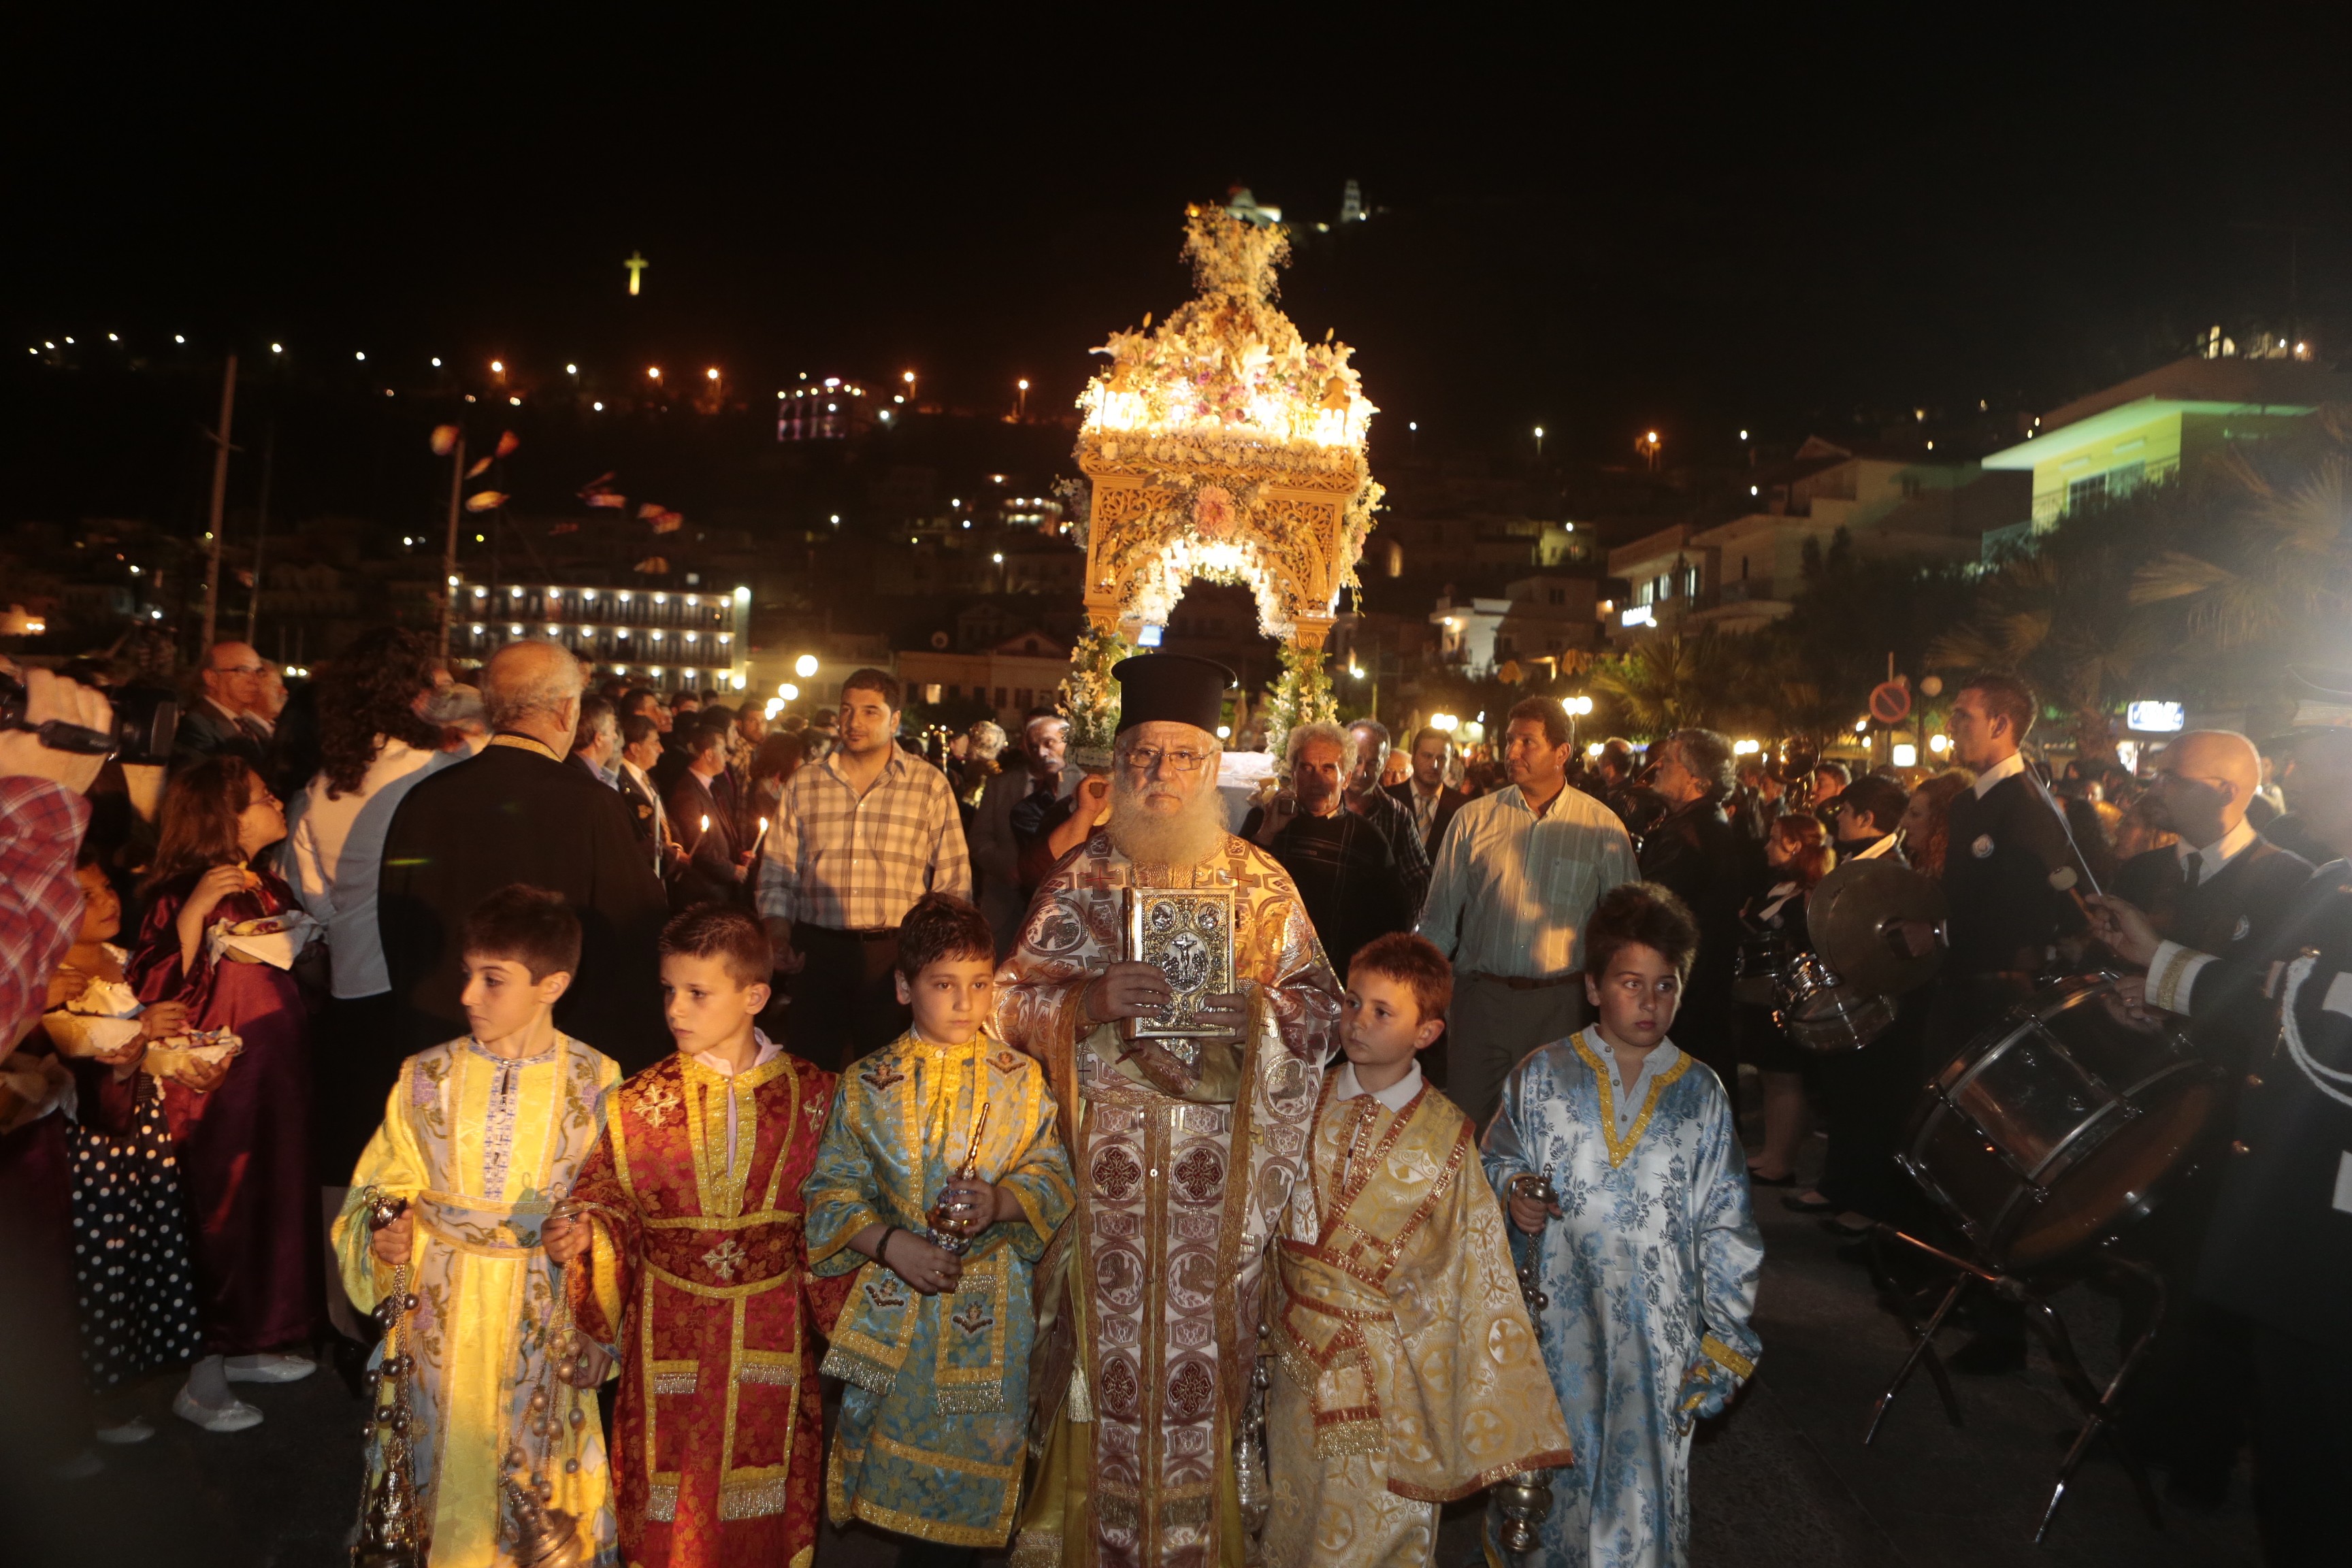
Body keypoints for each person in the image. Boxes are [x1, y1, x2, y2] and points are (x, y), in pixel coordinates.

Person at [994, 653, 1340, 1568]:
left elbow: (1323, 1009)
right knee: (1101, 1362)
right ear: (1118, 764)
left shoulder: (1261, 883)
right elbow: (1002, 1003)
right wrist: (1085, 1003)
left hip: (1215, 1181)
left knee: (1204, 1359)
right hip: (1103, 1174)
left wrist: (1258, 1014)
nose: (1161, 773)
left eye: (1183, 756)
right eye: (1144, 754)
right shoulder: (1081, 879)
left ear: (1212, 768)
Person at [2087, 723, 2352, 1565]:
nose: (2293, 783)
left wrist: (2164, 966)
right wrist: (2157, 970)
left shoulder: (2307, 880)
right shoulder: (2335, 884)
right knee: (2297, 1444)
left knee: (2318, 1447)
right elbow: (2279, 999)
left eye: (2312, 771)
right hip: (2281, 1186)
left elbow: (2308, 1022)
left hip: (2326, 1209)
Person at [547, 904, 848, 1568]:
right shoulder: (638, 1101)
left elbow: (839, 1211)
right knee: (668, 1505)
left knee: (762, 1506)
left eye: (697, 992)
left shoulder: (818, 1096)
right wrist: (585, 1232)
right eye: (668, 990)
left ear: (755, 997)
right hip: (668, 1330)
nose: (675, 1009)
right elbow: (607, 1200)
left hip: (771, 1327)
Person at [1266, 932, 1574, 1568]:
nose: (1358, 1022)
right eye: (1352, 1002)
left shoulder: (1446, 1139)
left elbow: (1473, 1273)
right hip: (1295, 1369)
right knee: (1291, 1524)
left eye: (1383, 1012)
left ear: (1427, 1033)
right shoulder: (1302, 1101)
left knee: (1374, 1538)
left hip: (1391, 1383)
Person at [332, 885, 619, 1567]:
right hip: (441, 1309)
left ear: (552, 985)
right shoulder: (425, 1076)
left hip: (539, 1314)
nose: (467, 995)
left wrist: (589, 1242)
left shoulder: (596, 1081)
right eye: (467, 974)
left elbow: (620, 1204)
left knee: (535, 1472)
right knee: (436, 1454)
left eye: (493, 979)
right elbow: (378, 1185)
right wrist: (385, 1235)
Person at [1483, 882, 1763, 1568]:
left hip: (1656, 1340)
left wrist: (1725, 1339)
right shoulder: (1542, 1076)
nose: (1649, 1002)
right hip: (1557, 1331)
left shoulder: (1701, 1095)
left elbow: (1726, 1223)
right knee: (1549, 1489)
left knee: (1639, 1501)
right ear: (1594, 987)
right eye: (1630, 983)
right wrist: (1514, 1191)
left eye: (1665, 986)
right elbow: (1495, 1157)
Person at [802, 893, 1075, 1563]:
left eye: (979, 984)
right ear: (905, 988)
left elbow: (1053, 1174)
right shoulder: (867, 1083)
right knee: (902, 1501)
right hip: (900, 1307)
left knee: (969, 1509)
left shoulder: (1021, 1079)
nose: (964, 1002)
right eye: (944, 985)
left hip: (992, 1314)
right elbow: (829, 1194)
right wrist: (892, 1244)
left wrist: (1001, 1202)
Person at [125, 756, 322, 1431]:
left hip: (276, 1074)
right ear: (226, 816)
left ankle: (249, 1340)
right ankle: (202, 1373)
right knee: (216, 1211)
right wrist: (198, 912)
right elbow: (152, 988)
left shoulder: (269, 885)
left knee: (271, 1202)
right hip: (214, 1082)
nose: (277, 804)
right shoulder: (181, 890)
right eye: (262, 797)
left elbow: (299, 967)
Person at [378, 640, 671, 1071]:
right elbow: (632, 934)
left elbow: (396, 926)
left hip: (441, 1052)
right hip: (549, 1058)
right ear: (568, 710)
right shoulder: (590, 805)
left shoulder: (424, 799)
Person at [281, 626, 456, 1189]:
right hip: (421, 991)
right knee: (419, 1163)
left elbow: (311, 898)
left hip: (349, 991)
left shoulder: (320, 787)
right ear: (418, 695)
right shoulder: (436, 771)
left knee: (359, 1162)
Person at [1419, 696, 1637, 1132]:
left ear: (1562, 752)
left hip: (1560, 1007)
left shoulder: (1601, 827)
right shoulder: (1472, 820)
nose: (1512, 752)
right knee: (1468, 1131)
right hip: (1480, 1004)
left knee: (1552, 1131)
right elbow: (1440, 920)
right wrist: (1418, 994)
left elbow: (1625, 929)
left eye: (1527, 742)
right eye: (1509, 740)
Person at [40, 853, 203, 1436]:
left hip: (142, 1127)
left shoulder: (123, 960)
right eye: (85, 897)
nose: (108, 901)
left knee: (143, 1249)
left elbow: (152, 1045)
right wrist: (137, 1030)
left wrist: (187, 1059)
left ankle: (137, 1375)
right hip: (88, 1141)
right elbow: (73, 1052)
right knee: (98, 1261)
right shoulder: (50, 976)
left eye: (107, 887)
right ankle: (95, 1400)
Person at [755, 668, 971, 1070]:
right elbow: (778, 872)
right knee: (811, 1072)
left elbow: (953, 882)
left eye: (870, 711)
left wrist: (938, 959)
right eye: (847, 710)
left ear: (894, 719)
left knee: (888, 1075)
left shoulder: (928, 785)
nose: (854, 722)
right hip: (817, 953)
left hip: (893, 956)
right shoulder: (806, 782)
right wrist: (778, 935)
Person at [1243, 720, 1428, 981]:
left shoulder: (1368, 839)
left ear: (1346, 779)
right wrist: (1266, 835)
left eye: (1328, 769)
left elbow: (1392, 920)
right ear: (1293, 773)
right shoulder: (1262, 820)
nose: (1316, 780)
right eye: (1306, 768)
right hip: (1266, 974)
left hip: (1338, 979)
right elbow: (1236, 891)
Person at [1637, 728, 1745, 1086]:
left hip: (1685, 993)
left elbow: (1649, 905)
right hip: (1697, 987)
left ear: (1697, 779)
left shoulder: (1688, 833)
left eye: (1668, 762)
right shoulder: (1704, 822)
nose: (1657, 766)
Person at [1735, 813, 1833, 1187]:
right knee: (1770, 1077)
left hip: (1783, 996)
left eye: (1775, 839)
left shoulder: (1808, 892)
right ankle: (1771, 1153)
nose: (1766, 846)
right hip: (1761, 995)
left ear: (1794, 845)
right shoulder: (1781, 886)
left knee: (1784, 1078)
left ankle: (1781, 1162)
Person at [969, 710, 1077, 958]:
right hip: (1006, 908)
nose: (1040, 752)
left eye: (1048, 742)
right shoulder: (1000, 785)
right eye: (1033, 745)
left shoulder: (1080, 787)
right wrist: (1007, 868)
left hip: (1063, 912)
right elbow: (979, 839)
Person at [667, 723, 751, 911]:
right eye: (723, 751)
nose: (727, 757)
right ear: (708, 754)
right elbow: (699, 844)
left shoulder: (712, 787)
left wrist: (738, 853)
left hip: (718, 887)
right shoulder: (687, 792)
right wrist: (731, 870)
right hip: (703, 890)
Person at [172, 640, 273, 773]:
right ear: (211, 678)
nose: (254, 681)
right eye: (242, 671)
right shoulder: (195, 726)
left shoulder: (255, 727)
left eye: (258, 672)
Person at [617, 711, 683, 881]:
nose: (661, 749)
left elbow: (663, 817)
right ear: (635, 748)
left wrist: (676, 847)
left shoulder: (647, 779)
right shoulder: (621, 782)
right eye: (655, 742)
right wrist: (671, 854)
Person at [570, 692, 621, 787]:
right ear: (599, 739)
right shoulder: (584, 782)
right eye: (613, 731)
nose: (616, 736)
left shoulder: (593, 775)